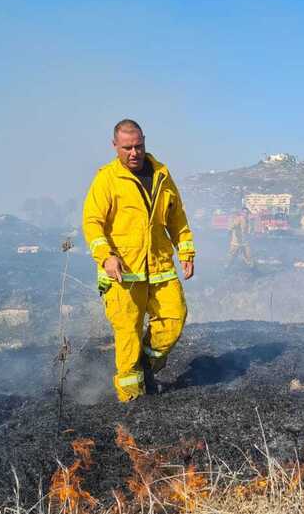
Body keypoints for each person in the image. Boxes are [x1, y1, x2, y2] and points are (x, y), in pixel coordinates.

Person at [82, 119, 195, 402]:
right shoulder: (107, 179)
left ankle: (147, 365)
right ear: (115, 146)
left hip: (159, 267)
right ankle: (131, 399)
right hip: (123, 273)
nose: (134, 153)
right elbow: (92, 223)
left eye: (138, 146)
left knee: (174, 318)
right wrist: (106, 257)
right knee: (128, 337)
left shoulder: (162, 175)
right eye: (127, 148)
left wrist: (186, 253)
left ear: (145, 141)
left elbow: (177, 218)